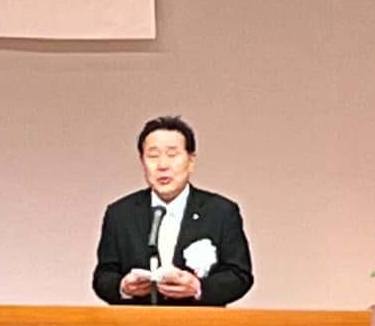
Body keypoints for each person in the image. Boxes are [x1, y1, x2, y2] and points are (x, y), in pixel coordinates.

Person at [92, 116, 254, 308]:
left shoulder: (221, 212)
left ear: (191, 160)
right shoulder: (120, 214)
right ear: (142, 161)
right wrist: (123, 287)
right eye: (153, 156)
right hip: (138, 323)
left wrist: (198, 288)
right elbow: (103, 277)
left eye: (172, 155)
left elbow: (239, 275)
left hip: (199, 323)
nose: (162, 165)